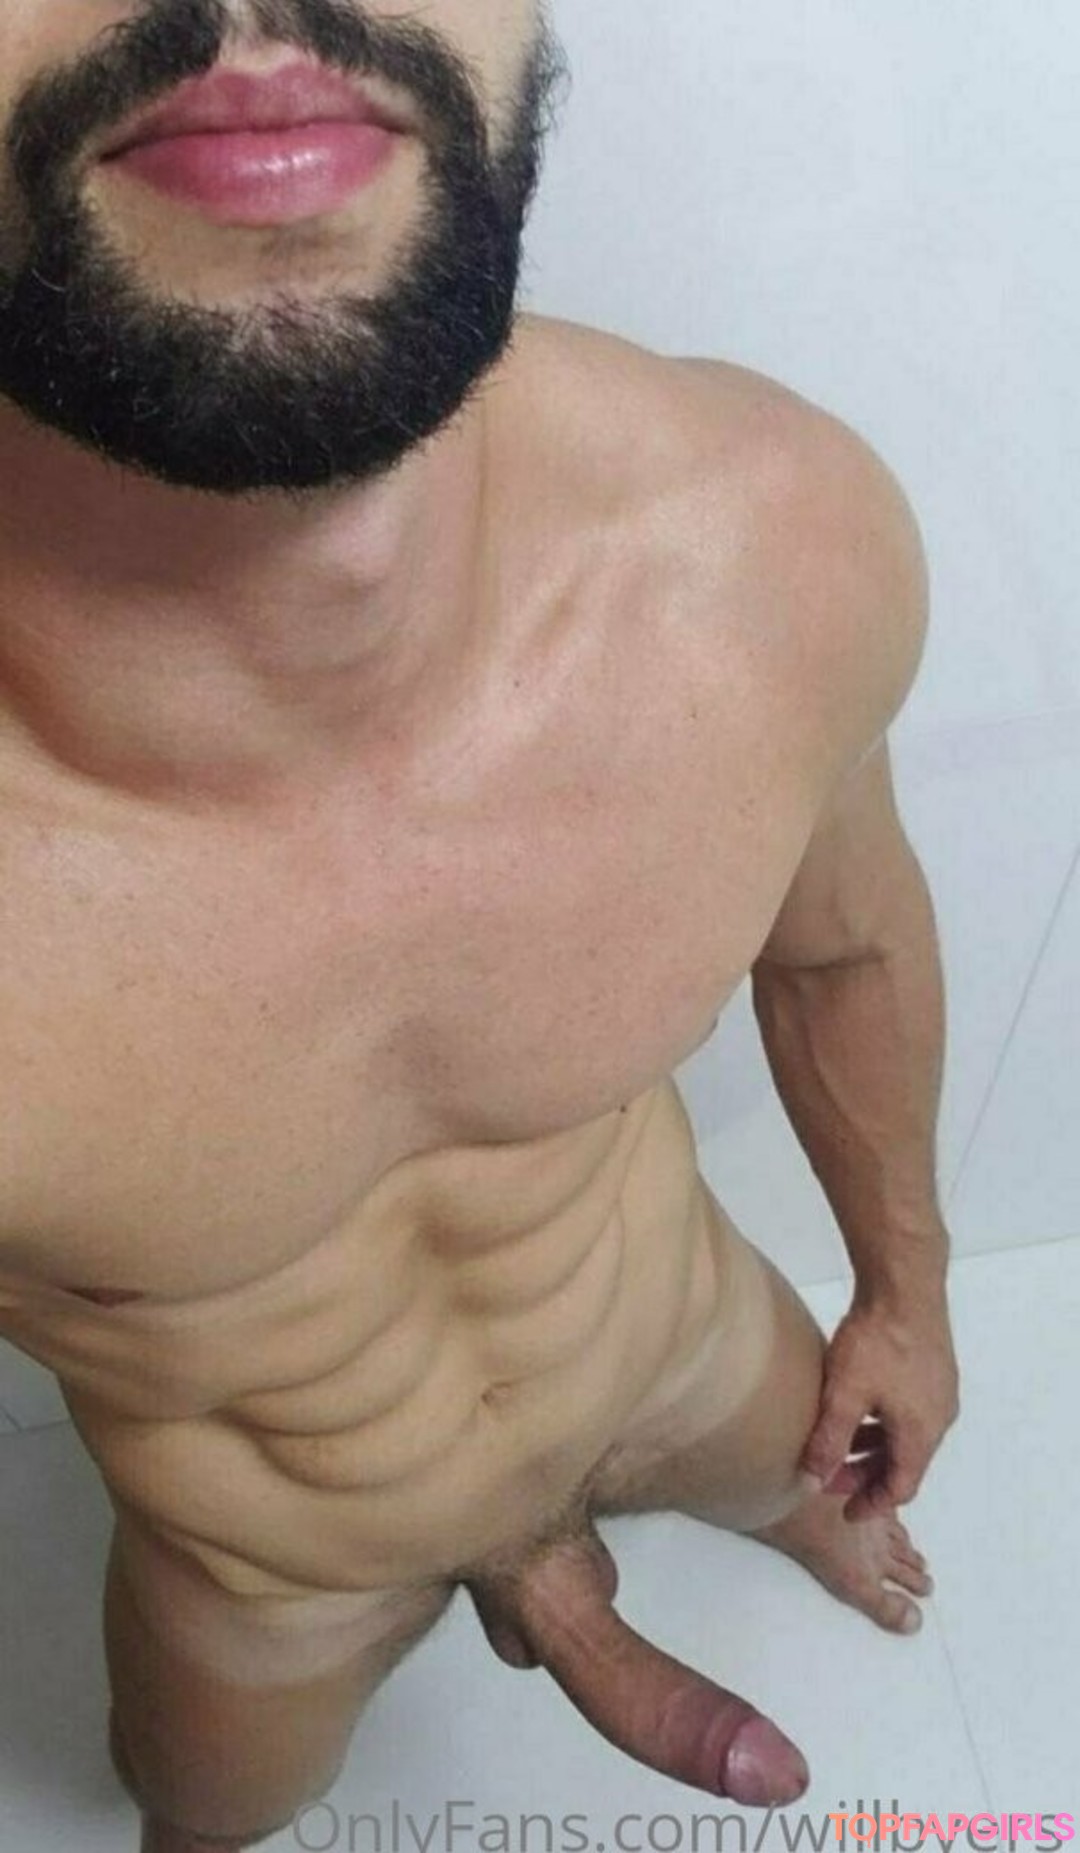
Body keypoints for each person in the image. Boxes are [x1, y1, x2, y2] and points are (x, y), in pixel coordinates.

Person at [0, 1, 960, 1847]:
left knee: (822, 1477)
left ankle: (694, 1524)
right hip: (273, 1569)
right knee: (197, 1808)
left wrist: (906, 1299)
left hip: (683, 1355)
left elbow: (844, 945)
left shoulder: (770, 546)